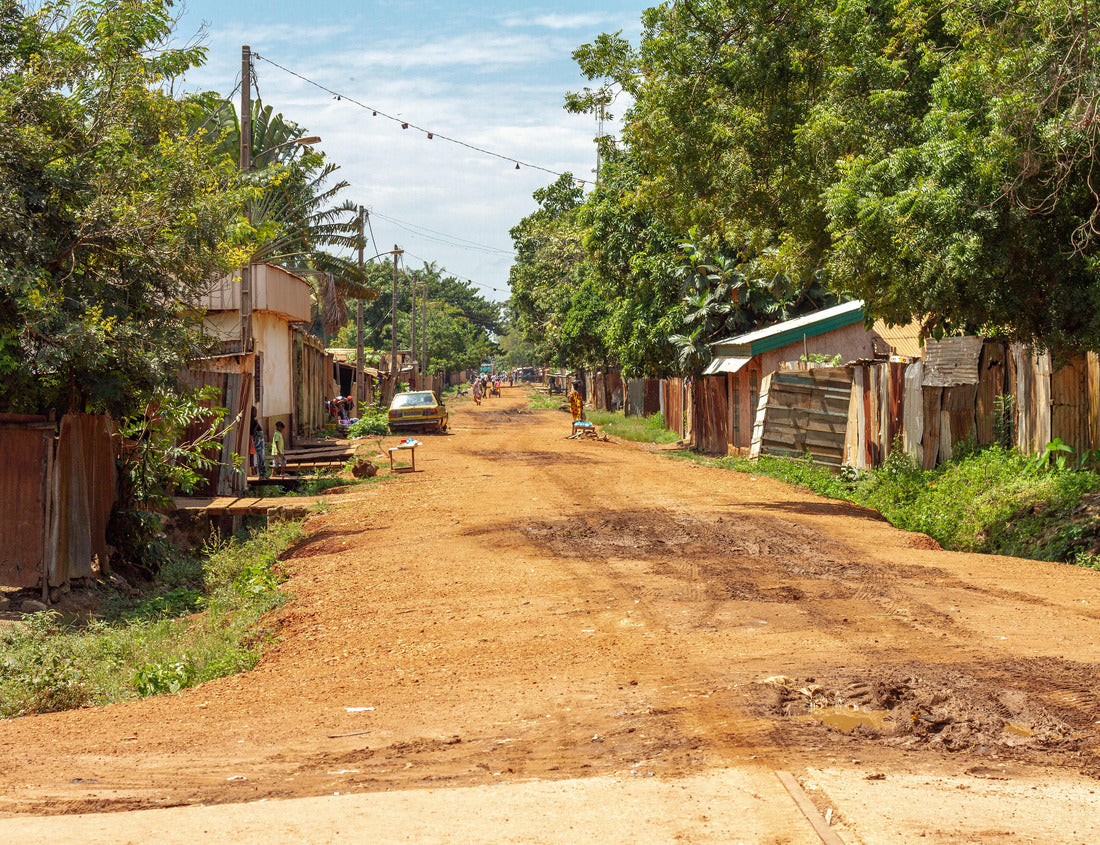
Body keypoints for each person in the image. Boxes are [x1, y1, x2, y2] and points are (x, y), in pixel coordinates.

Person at [250, 412, 267, 478]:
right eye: (255, 411)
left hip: (259, 440)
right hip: (258, 441)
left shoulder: (253, 420)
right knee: (260, 457)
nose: (256, 413)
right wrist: (257, 424)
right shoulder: (252, 421)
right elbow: (252, 432)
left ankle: (263, 473)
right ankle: (262, 473)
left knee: (261, 457)